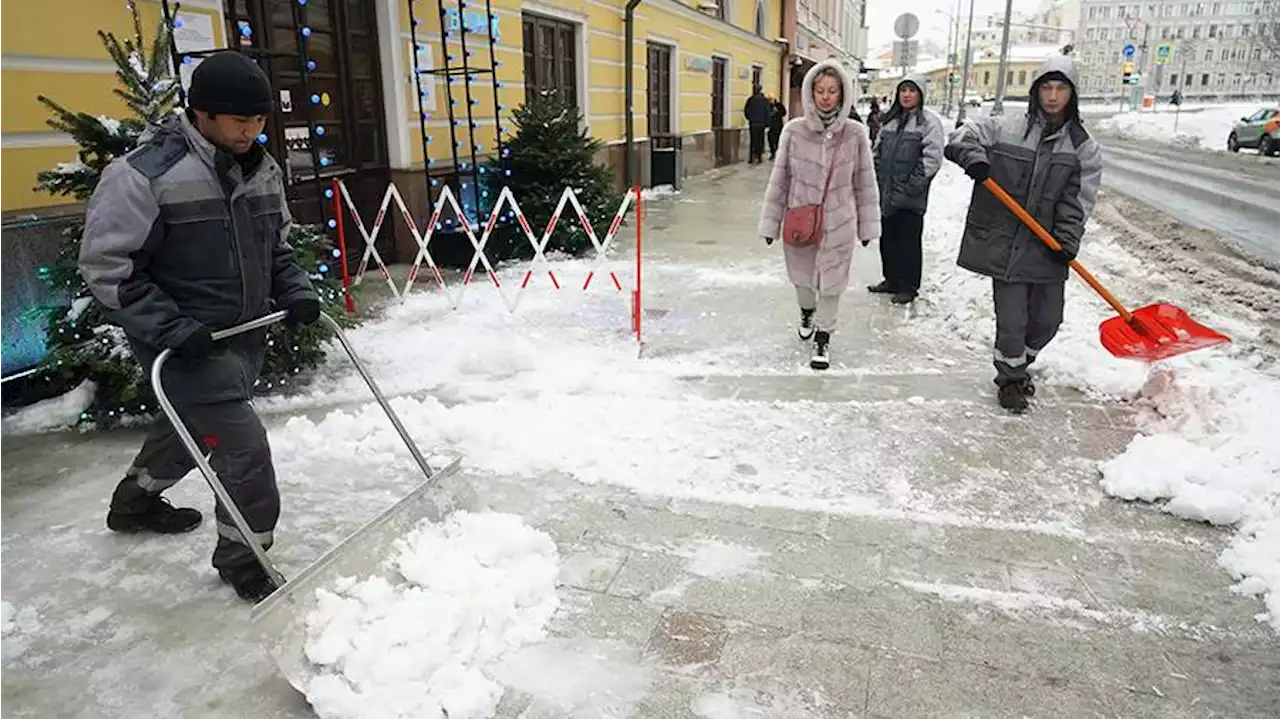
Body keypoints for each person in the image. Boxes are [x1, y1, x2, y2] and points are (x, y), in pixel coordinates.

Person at [78, 51, 321, 602]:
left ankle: (133, 503)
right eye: (239, 121)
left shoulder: (262, 168)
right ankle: (246, 558)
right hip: (185, 345)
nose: (251, 131)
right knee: (242, 446)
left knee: (189, 429)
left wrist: (298, 290)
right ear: (200, 113)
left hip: (244, 336)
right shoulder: (144, 174)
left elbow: (276, 247)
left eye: (259, 121)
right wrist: (170, 327)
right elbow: (107, 268)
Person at [943, 55, 1102, 414]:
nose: (1052, 95)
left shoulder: (1082, 147)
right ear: (1035, 90)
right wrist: (973, 159)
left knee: (1048, 319)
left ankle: (1021, 363)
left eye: (1061, 88)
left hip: (1046, 245)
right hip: (1005, 244)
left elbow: (1079, 200)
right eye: (1046, 87)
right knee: (1012, 319)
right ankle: (1010, 378)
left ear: (1072, 95)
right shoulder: (1008, 128)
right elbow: (960, 137)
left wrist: (1067, 239)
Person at [758, 60, 881, 370]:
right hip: (800, 221)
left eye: (832, 91)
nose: (826, 97)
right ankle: (806, 311)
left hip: (839, 222)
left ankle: (823, 338)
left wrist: (867, 226)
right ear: (810, 93)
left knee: (833, 283)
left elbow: (865, 182)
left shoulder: (855, 134)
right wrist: (770, 223)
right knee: (803, 282)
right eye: (820, 90)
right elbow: (780, 179)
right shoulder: (794, 131)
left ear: (842, 94)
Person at [869, 76, 945, 305]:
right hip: (887, 193)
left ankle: (909, 286)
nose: (907, 95)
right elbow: (877, 151)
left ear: (920, 94)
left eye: (912, 90)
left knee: (909, 242)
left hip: (911, 196)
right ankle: (891, 280)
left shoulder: (928, 123)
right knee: (888, 239)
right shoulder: (890, 121)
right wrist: (877, 176)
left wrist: (914, 185)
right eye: (903, 90)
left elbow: (932, 158)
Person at [744, 84, 770, 164]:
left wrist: (750, 118)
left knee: (753, 140)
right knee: (760, 140)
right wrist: (767, 123)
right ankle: (759, 157)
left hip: (753, 123)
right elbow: (767, 112)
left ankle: (751, 158)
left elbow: (746, 111)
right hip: (761, 123)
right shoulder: (764, 100)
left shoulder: (750, 99)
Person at [767, 94, 787, 160]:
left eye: (770, 99)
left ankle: (779, 154)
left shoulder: (779, 105)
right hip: (771, 126)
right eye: (769, 100)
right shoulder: (768, 106)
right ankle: (772, 153)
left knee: (778, 141)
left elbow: (784, 113)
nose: (770, 101)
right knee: (771, 141)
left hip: (778, 126)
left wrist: (778, 112)